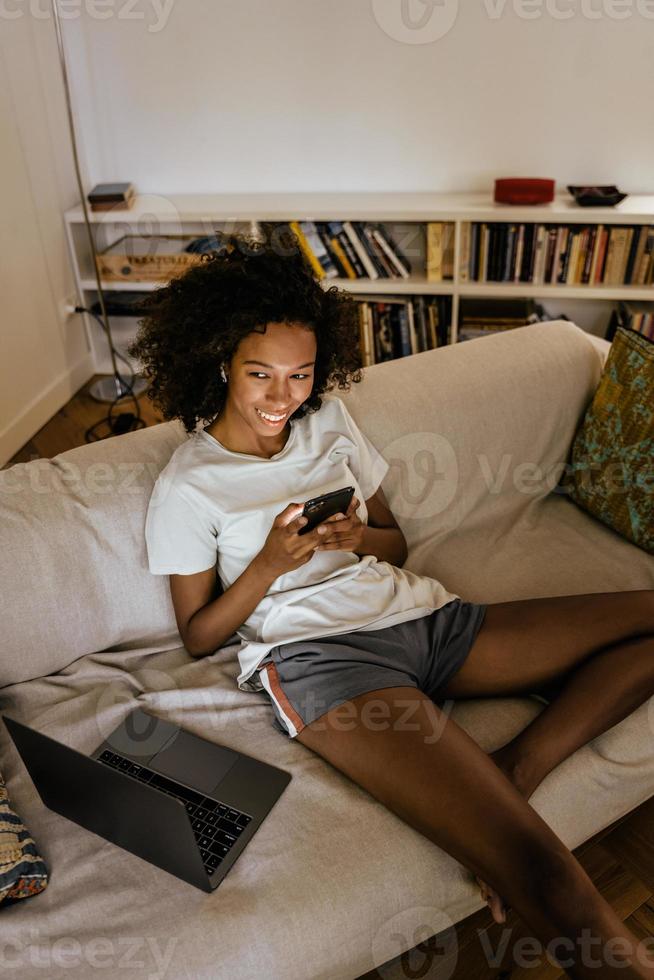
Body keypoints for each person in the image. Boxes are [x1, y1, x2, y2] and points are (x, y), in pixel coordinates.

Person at [129, 232, 654, 978]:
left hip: (421, 619)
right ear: (220, 362)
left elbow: (397, 542)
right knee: (541, 869)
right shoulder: (189, 484)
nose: (284, 398)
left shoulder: (329, 423)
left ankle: (519, 765)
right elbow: (197, 634)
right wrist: (268, 567)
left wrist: (359, 539)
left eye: (302, 375)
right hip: (322, 663)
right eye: (261, 375)